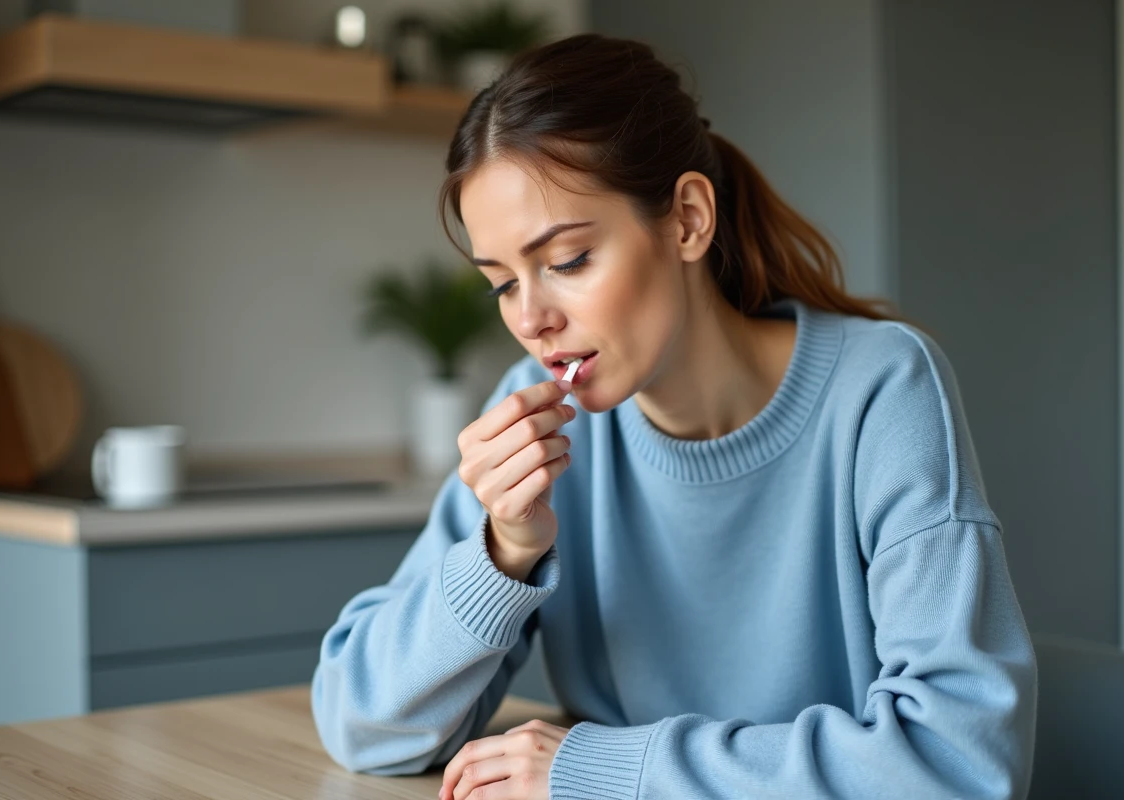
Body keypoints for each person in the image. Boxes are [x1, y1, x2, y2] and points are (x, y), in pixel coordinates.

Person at [312, 33, 1037, 800]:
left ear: (688, 218)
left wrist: (598, 770)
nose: (530, 319)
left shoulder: (882, 390)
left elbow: (959, 761)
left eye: (566, 262)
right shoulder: (541, 420)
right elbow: (361, 726)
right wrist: (504, 552)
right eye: (501, 284)